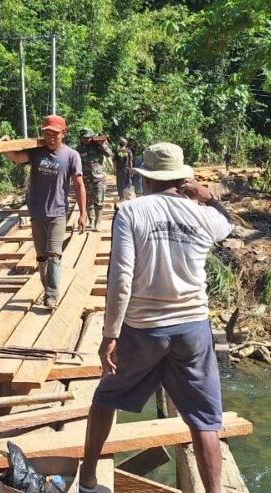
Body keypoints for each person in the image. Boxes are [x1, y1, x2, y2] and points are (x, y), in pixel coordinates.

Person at [77, 143, 235, 493]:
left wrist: (110, 335)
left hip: (144, 329)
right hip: (192, 328)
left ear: (145, 176)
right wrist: (208, 197)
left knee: (105, 397)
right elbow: (228, 224)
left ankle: (88, 478)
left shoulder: (131, 211)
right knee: (206, 422)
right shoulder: (204, 215)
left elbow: (120, 277)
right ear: (182, 178)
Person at [0, 115, 88, 309]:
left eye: (55, 134)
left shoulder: (71, 155)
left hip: (58, 212)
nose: (51, 137)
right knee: (41, 256)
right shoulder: (36, 153)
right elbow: (16, 157)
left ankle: (51, 295)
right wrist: (5, 145)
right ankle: (47, 287)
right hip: (37, 211)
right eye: (47, 133)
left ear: (63, 134)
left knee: (54, 254)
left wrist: (83, 213)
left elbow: (79, 185)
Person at [76, 127, 113, 231]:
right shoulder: (79, 149)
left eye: (88, 137)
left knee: (99, 200)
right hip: (85, 178)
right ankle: (91, 221)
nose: (86, 140)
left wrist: (102, 144)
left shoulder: (99, 147)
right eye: (84, 138)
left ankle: (98, 222)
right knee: (88, 201)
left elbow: (109, 153)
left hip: (98, 177)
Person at [114, 137, 135, 202]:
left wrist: (114, 169)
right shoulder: (129, 151)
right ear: (125, 144)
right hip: (126, 169)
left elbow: (115, 161)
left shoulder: (116, 151)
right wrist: (131, 169)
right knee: (127, 182)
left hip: (119, 169)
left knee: (119, 183)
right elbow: (130, 161)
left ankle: (121, 197)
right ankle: (126, 197)